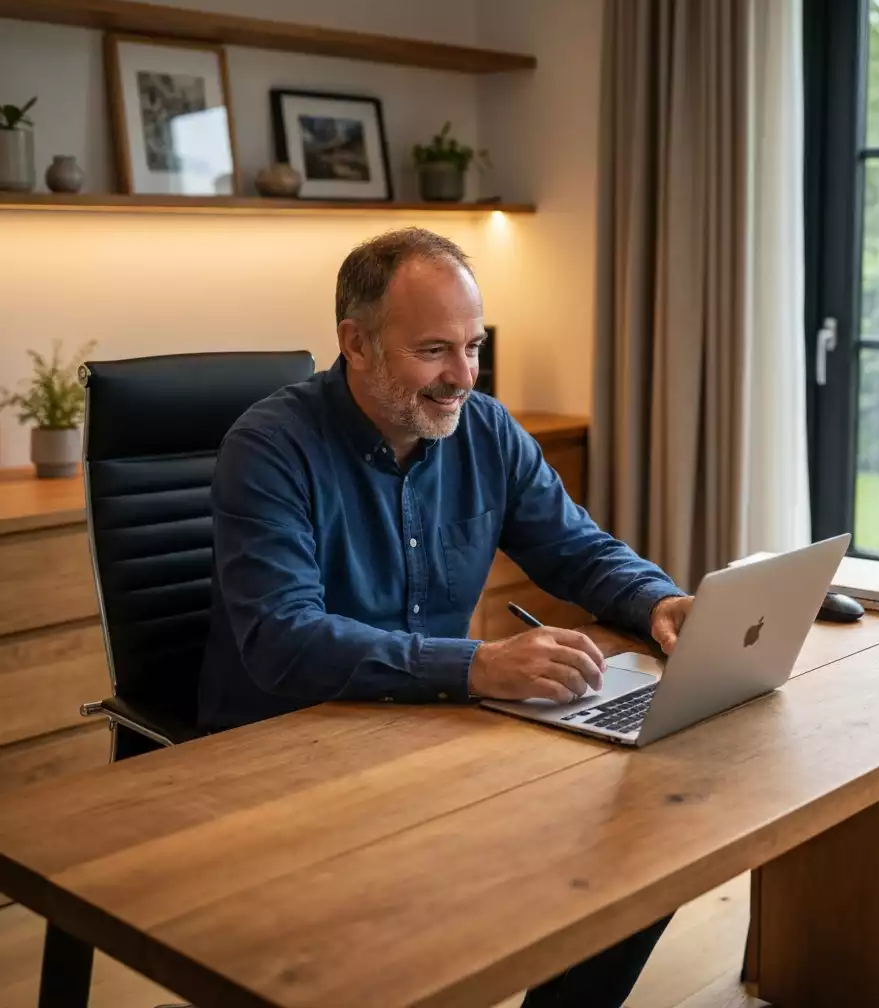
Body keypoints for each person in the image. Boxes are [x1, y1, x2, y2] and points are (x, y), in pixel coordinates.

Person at [198, 227, 694, 1008]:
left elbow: (574, 548)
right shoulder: (269, 448)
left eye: (474, 345)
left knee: (649, 841)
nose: (462, 376)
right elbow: (282, 641)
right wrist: (477, 664)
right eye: (434, 350)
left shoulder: (486, 430)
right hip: (289, 745)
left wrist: (660, 600)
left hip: (437, 726)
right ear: (356, 344)